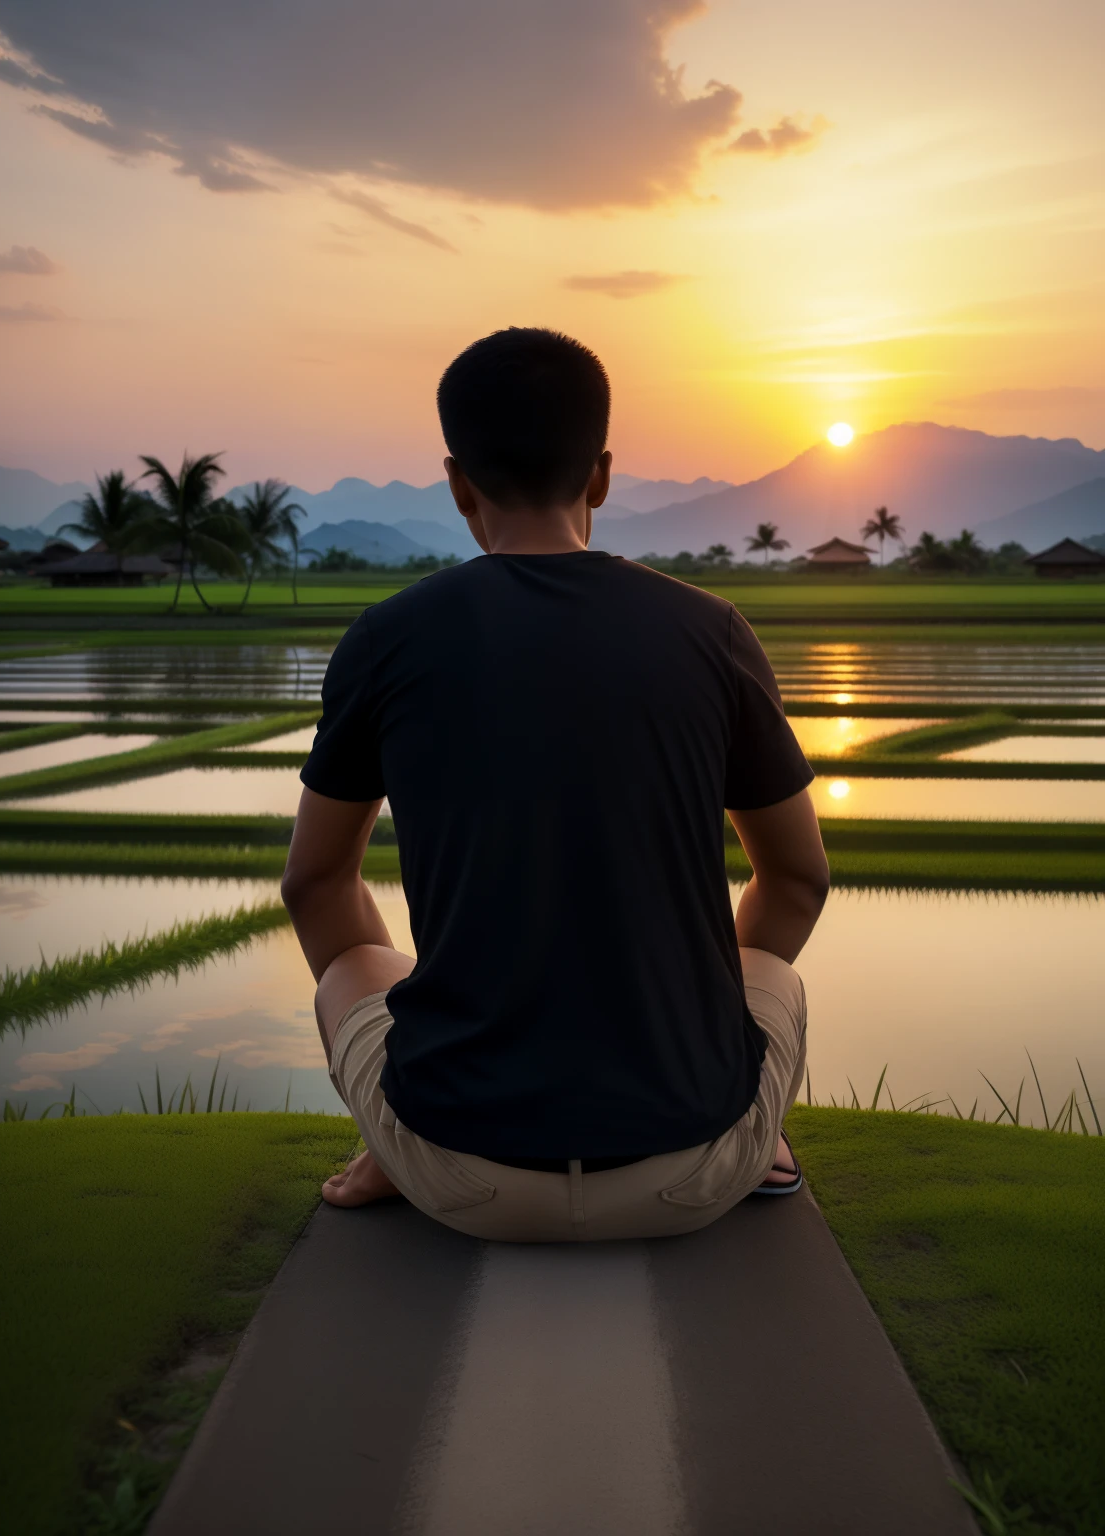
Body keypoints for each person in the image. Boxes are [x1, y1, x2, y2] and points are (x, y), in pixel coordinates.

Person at [281, 327, 829, 1243]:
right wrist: (710, 1043)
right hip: (695, 1175)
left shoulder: (389, 639)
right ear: (602, 473)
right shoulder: (711, 631)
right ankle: (757, 1128)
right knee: (768, 976)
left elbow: (315, 883)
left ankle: (390, 1146)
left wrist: (406, 1114)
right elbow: (798, 877)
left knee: (364, 969)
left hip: (457, 1179)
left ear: (458, 481)